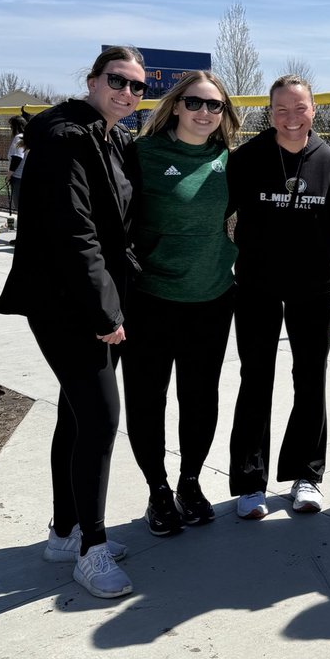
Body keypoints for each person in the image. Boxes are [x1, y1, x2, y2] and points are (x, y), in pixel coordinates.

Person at [0, 46, 147, 597]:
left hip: (95, 296)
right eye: (117, 80)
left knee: (77, 414)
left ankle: (65, 532)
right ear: (92, 80)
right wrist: (104, 311)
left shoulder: (109, 137)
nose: (127, 93)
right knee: (102, 419)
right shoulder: (65, 139)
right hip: (67, 303)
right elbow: (74, 233)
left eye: (136, 86)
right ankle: (91, 550)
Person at [122, 71, 240, 536]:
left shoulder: (229, 159)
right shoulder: (142, 154)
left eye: (214, 105)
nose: (204, 112)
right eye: (194, 102)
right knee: (147, 399)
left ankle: (190, 482)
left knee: (200, 397)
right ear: (175, 105)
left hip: (211, 298)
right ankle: (158, 490)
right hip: (151, 299)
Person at [227, 74, 330, 519]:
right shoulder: (247, 158)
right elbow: (213, 213)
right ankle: (249, 482)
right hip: (256, 287)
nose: (291, 117)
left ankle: (307, 475)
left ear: (313, 110)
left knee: (310, 379)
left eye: (300, 108)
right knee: (255, 379)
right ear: (270, 112)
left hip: (313, 289)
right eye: (281, 109)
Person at [6, 115, 28, 213]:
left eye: (11, 126)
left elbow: (17, 157)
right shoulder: (29, 136)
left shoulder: (19, 137)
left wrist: (9, 175)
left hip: (18, 177)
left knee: (19, 205)